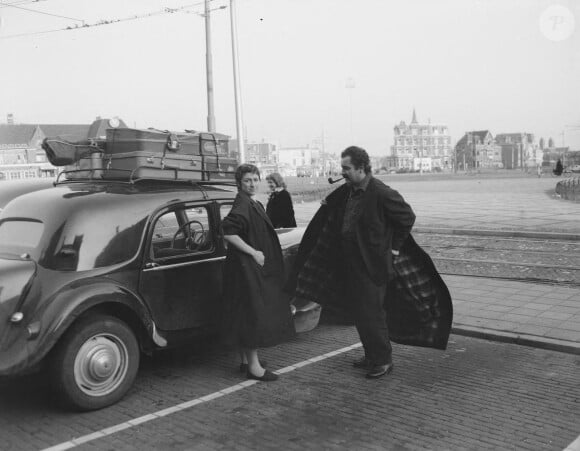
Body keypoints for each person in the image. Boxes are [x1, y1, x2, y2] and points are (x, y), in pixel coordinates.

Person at [287, 146, 452, 379]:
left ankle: (383, 360)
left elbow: (407, 217)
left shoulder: (381, 192)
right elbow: (333, 206)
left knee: (372, 314)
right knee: (359, 313)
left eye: (346, 168)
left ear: (361, 168)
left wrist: (393, 249)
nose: (342, 172)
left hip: (372, 266)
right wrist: (327, 203)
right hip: (350, 264)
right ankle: (371, 355)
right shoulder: (348, 190)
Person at [221, 164, 295, 382]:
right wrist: (253, 252)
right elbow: (228, 232)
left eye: (255, 179)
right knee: (252, 314)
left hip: (245, 269)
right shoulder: (243, 204)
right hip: (246, 269)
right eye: (247, 181)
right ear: (239, 183)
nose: (252, 184)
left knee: (246, 313)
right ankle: (254, 367)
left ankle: (246, 361)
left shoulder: (252, 203)